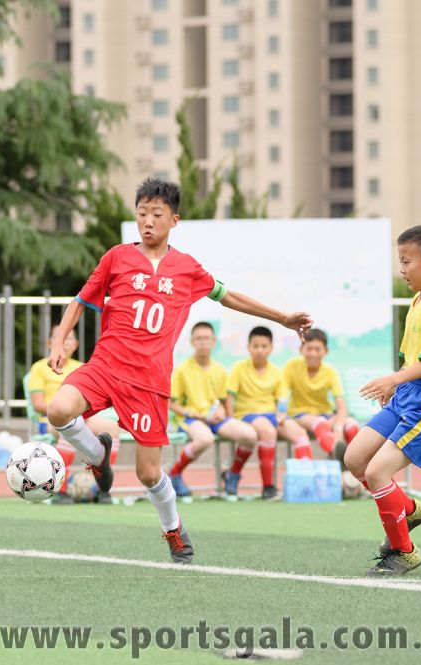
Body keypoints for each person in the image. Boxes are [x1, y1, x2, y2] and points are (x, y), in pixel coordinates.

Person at [46, 178, 312, 563]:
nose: (147, 221)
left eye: (157, 214)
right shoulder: (117, 257)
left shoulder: (187, 269)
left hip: (148, 382)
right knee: (58, 410)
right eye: (142, 214)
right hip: (105, 365)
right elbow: (80, 300)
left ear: (174, 220)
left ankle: (173, 529)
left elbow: (229, 296)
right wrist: (58, 342)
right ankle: (97, 455)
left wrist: (282, 317)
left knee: (148, 474)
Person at [345, 225, 421, 576]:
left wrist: (393, 379)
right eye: (400, 261)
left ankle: (404, 551)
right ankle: (407, 510)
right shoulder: (418, 300)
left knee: (378, 471)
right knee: (355, 459)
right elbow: (413, 358)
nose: (402, 269)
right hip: (408, 395)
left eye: (406, 261)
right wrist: (396, 385)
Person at [26, 327, 118, 504]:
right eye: (60, 338)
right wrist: (65, 409)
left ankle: (102, 485)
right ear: (50, 343)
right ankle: (60, 489)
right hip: (51, 420)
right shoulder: (39, 368)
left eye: (70, 339)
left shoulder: (83, 367)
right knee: (68, 427)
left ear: (76, 344)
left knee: (112, 429)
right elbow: (37, 404)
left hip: (83, 416)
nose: (65, 343)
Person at [167, 321, 257, 499]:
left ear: (214, 341)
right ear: (192, 342)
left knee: (250, 435)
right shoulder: (182, 370)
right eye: (199, 339)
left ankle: (232, 474)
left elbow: (223, 400)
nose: (203, 342)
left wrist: (223, 412)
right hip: (191, 419)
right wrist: (189, 413)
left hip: (215, 419)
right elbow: (171, 403)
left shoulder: (220, 370)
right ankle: (174, 474)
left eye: (207, 338)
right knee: (205, 439)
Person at [223, 326, 313, 500]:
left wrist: (281, 415)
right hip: (247, 414)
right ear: (248, 347)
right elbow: (229, 395)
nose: (259, 350)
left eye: (264, 346)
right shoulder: (238, 368)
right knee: (268, 431)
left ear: (271, 348)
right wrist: (231, 418)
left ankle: (306, 482)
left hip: (272, 414)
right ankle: (268, 487)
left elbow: (282, 399)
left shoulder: (276, 371)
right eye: (255, 346)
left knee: (300, 433)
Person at [284, 328, 360, 463]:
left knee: (351, 425)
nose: (313, 353)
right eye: (309, 349)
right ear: (301, 349)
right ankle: (341, 459)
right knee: (320, 423)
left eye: (317, 349)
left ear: (326, 351)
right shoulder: (291, 366)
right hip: (299, 414)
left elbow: (341, 406)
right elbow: (281, 395)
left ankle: (356, 464)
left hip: (326, 414)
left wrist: (338, 428)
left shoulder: (330, 371)